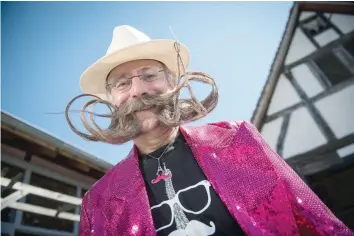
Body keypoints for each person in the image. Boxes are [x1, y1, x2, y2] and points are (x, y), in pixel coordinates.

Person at [66, 25, 353, 236]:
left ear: (171, 84)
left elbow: (319, 226)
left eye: (149, 75)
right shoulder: (98, 203)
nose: (138, 90)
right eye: (122, 83)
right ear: (112, 100)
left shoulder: (239, 140)